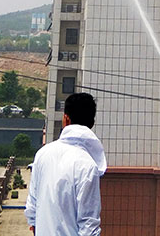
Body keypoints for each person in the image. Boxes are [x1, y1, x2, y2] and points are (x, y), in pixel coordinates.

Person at [25, 93, 105, 235]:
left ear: (65, 119)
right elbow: (89, 225)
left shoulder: (43, 154)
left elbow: (32, 208)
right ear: (92, 123)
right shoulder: (87, 165)